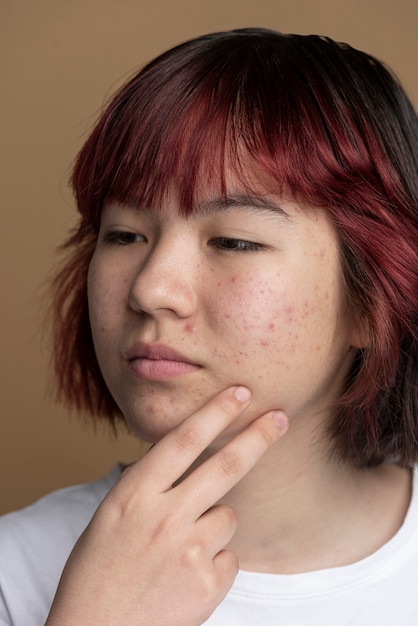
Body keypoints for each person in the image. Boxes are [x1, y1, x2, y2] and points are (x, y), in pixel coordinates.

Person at [0, 27, 417, 625]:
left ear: (375, 301)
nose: (150, 288)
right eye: (124, 235)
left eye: (234, 240)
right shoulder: (14, 573)